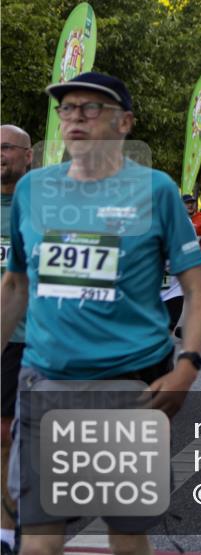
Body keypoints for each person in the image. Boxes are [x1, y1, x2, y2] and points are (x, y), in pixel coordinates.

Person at [0, 72, 201, 555]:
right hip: (45, 381)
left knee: (126, 534)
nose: (75, 118)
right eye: (67, 109)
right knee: (38, 541)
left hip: (130, 386)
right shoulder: (33, 190)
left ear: (125, 123)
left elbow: (197, 291)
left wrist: (188, 366)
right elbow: (15, 283)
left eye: (90, 108)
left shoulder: (156, 191)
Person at [0, 125, 31, 555]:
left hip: (33, 335)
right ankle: (7, 530)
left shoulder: (44, 207)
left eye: (5, 147)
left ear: (27, 156)